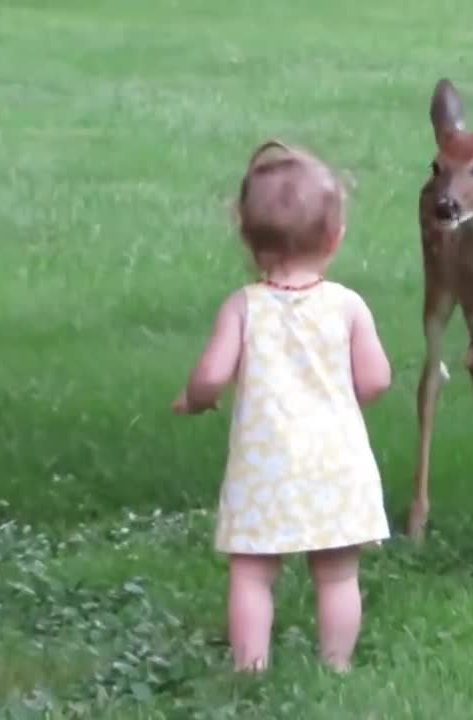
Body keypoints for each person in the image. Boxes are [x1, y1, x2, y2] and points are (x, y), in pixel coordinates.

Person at [171, 139, 392, 673]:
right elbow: (378, 379)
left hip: (264, 468)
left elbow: (210, 376)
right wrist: (341, 401)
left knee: (251, 573)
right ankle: (335, 665)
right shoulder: (347, 307)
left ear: (247, 240)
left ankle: (252, 671)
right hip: (336, 465)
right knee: (338, 575)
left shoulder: (244, 308)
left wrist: (196, 400)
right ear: (335, 237)